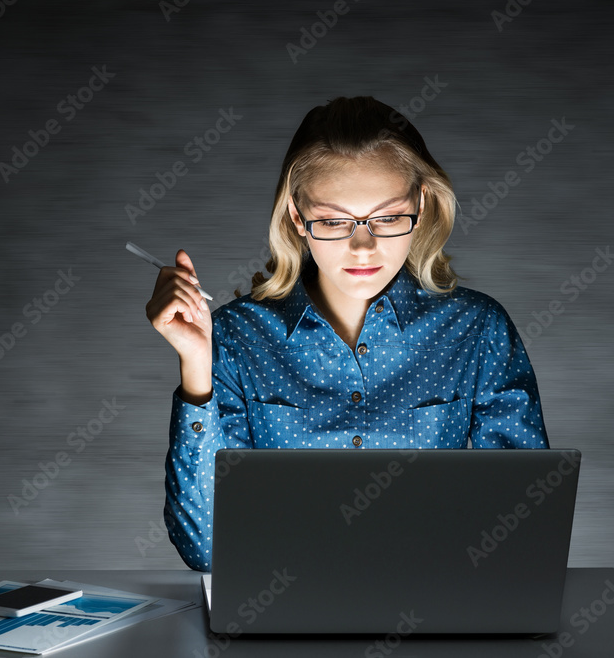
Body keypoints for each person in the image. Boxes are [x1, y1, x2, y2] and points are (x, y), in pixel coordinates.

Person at [144, 96, 549, 572]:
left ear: (421, 203)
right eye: (334, 221)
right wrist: (196, 366)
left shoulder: (477, 329)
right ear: (297, 217)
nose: (363, 247)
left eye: (389, 217)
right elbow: (206, 551)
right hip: (277, 622)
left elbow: (520, 528)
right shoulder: (233, 337)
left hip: (436, 619)